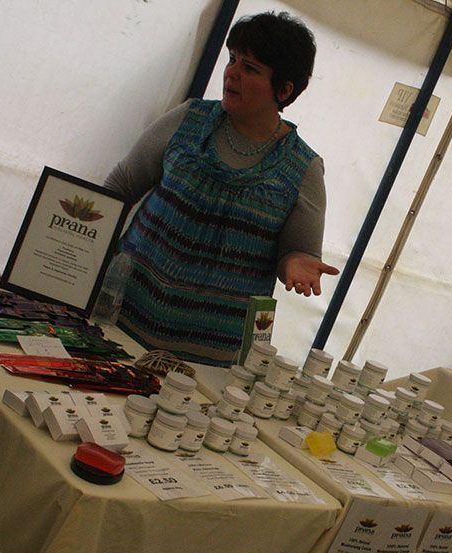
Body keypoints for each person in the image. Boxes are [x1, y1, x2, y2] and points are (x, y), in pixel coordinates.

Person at [105, 11, 338, 366]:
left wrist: (297, 261)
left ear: (285, 89)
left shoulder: (303, 168)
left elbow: (298, 253)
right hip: (119, 322)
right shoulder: (188, 120)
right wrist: (79, 253)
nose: (232, 73)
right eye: (232, 60)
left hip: (208, 362)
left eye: (250, 68)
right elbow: (121, 186)